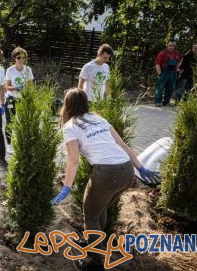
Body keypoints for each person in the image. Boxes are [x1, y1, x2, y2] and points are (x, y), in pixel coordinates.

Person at [51, 88, 158, 271]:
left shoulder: (70, 127)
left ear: (66, 106)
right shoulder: (98, 118)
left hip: (107, 174)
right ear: (85, 103)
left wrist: (66, 187)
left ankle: (96, 263)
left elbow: (73, 160)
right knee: (99, 210)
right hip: (127, 171)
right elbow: (122, 145)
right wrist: (140, 167)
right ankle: (96, 242)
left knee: (91, 215)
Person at [4, 47, 34, 154]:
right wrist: (17, 88)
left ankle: (22, 143)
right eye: (19, 57)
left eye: (23, 57)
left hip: (24, 99)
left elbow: (31, 86)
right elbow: (7, 87)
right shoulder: (10, 70)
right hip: (11, 99)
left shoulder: (28, 69)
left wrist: (27, 92)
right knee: (10, 122)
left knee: (23, 122)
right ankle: (9, 144)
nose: (21, 59)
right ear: (14, 58)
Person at [154, 39, 181, 107]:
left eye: (173, 46)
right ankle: (158, 101)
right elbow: (157, 64)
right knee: (160, 88)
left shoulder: (177, 53)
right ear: (167, 45)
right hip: (164, 73)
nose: (171, 47)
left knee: (170, 89)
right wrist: (160, 74)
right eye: (170, 45)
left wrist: (177, 70)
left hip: (172, 73)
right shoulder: (162, 53)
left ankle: (166, 101)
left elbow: (178, 62)